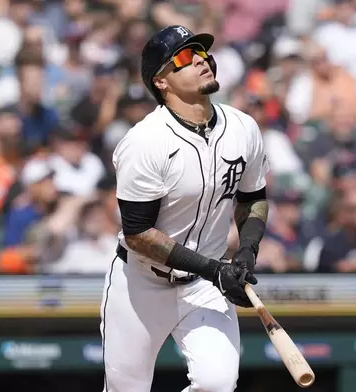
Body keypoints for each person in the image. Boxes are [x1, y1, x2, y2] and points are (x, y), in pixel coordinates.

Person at [100, 25, 270, 392]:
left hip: (204, 286)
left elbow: (252, 197)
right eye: (183, 57)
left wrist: (246, 253)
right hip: (142, 283)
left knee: (218, 384)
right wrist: (215, 270)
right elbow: (139, 233)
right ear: (160, 81)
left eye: (201, 52)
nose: (200, 60)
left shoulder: (243, 127)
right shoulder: (145, 142)